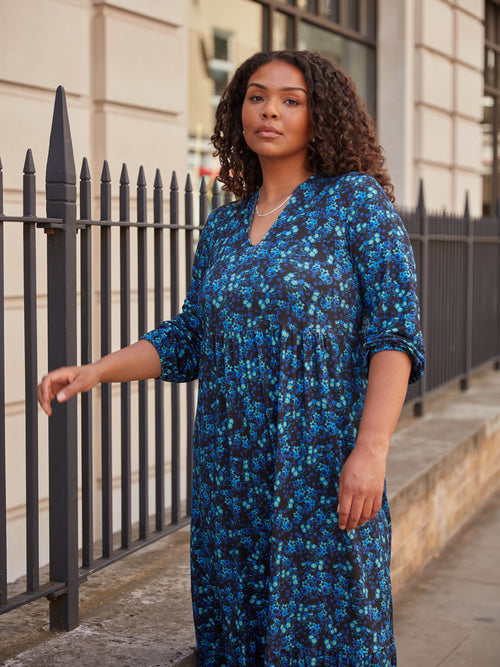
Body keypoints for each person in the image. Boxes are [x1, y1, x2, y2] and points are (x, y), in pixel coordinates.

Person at [38, 50, 424, 666]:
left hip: (319, 464)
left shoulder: (357, 205)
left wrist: (371, 450)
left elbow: (394, 335)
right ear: (237, 109)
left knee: (332, 630)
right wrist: (97, 370)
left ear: (319, 117)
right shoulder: (222, 227)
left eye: (291, 100)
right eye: (256, 95)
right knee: (235, 631)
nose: (270, 110)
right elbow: (191, 336)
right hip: (228, 471)